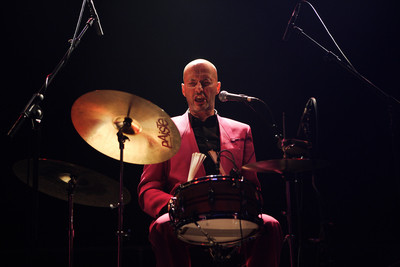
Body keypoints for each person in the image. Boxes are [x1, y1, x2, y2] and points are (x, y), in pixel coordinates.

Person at [137, 59, 283, 266]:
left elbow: (254, 188)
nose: (199, 89)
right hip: (184, 217)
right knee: (162, 225)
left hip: (232, 216)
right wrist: (172, 204)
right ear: (183, 89)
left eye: (205, 82)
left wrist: (244, 198)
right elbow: (148, 189)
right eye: (192, 83)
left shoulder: (242, 131)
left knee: (271, 225)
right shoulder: (163, 130)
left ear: (217, 87)